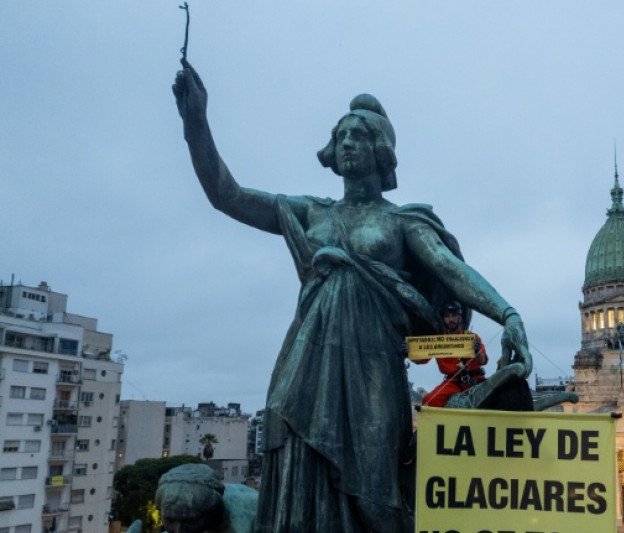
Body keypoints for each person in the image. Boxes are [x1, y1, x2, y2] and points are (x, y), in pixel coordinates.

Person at [172, 60, 532, 533]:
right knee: (302, 476)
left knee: (379, 493)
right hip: (305, 368)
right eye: (340, 136)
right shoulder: (311, 213)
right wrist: (196, 122)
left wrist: (506, 312)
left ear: (379, 150)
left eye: (357, 136)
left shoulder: (401, 221)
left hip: (373, 368)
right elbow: (227, 194)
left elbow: (451, 270)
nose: (345, 144)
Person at [418, 301, 488, 407]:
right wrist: (408, 351)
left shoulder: (472, 337)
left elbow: (482, 361)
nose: (450, 319)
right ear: (443, 319)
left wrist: (476, 350)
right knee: (429, 401)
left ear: (460, 317)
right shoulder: (437, 341)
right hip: (452, 382)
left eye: (454, 315)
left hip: (476, 380)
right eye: (447, 316)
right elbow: (419, 360)